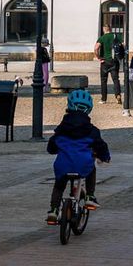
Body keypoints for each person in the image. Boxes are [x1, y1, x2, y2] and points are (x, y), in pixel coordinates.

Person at [45, 89, 110, 224]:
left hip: (63, 164)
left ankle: (54, 210)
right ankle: (90, 196)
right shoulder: (92, 131)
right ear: (89, 109)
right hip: (83, 164)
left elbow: (52, 146)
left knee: (59, 186)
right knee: (91, 168)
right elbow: (100, 145)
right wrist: (105, 157)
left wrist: (54, 150)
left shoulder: (61, 130)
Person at [95, 26, 121, 104]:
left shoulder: (102, 38)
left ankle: (103, 99)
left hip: (105, 62)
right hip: (114, 61)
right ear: (110, 29)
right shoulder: (116, 36)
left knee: (104, 80)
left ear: (104, 30)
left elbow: (96, 48)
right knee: (116, 80)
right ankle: (117, 95)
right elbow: (123, 45)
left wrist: (98, 57)